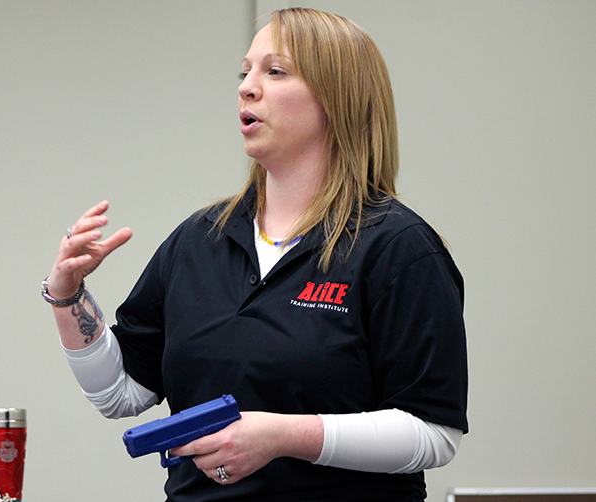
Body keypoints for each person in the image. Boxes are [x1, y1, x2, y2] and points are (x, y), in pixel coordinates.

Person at [42, 8, 468, 502]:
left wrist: (284, 435)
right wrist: (67, 295)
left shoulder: (398, 247)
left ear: (337, 97)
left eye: (275, 71)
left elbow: (434, 434)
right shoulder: (198, 240)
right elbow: (120, 393)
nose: (247, 87)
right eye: (245, 72)